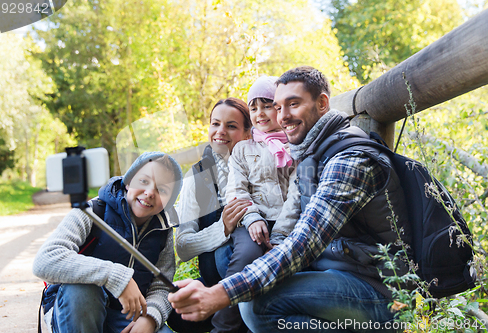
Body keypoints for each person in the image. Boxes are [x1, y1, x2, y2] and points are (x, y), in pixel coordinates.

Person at [168, 66, 411, 332]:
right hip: (336, 268)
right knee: (247, 278)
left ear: (322, 103)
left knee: (258, 306)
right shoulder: (310, 151)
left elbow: (305, 241)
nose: (283, 116)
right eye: (279, 106)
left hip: (376, 288)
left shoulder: (347, 159)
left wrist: (219, 294)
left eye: (292, 104)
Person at [33, 151, 183, 333]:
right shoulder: (92, 212)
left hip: (127, 316)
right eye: (143, 181)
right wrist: (115, 276)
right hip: (76, 310)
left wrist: (150, 318)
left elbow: (161, 286)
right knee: (83, 291)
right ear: (128, 182)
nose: (150, 192)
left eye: (162, 189)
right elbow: (44, 261)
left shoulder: (162, 230)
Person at [209, 76, 301, 332]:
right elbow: (236, 189)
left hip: (287, 222)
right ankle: (223, 326)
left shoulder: (294, 146)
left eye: (267, 105)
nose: (260, 113)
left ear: (279, 107)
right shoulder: (242, 150)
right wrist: (252, 218)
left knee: (285, 262)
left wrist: (282, 232)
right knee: (247, 256)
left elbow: (297, 191)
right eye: (254, 107)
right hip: (252, 220)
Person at [169, 97, 252, 333]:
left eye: (231, 126)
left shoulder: (260, 166)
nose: (220, 132)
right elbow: (183, 246)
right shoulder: (197, 176)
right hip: (216, 278)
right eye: (215, 124)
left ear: (248, 133)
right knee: (178, 314)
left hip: (256, 272)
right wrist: (222, 228)